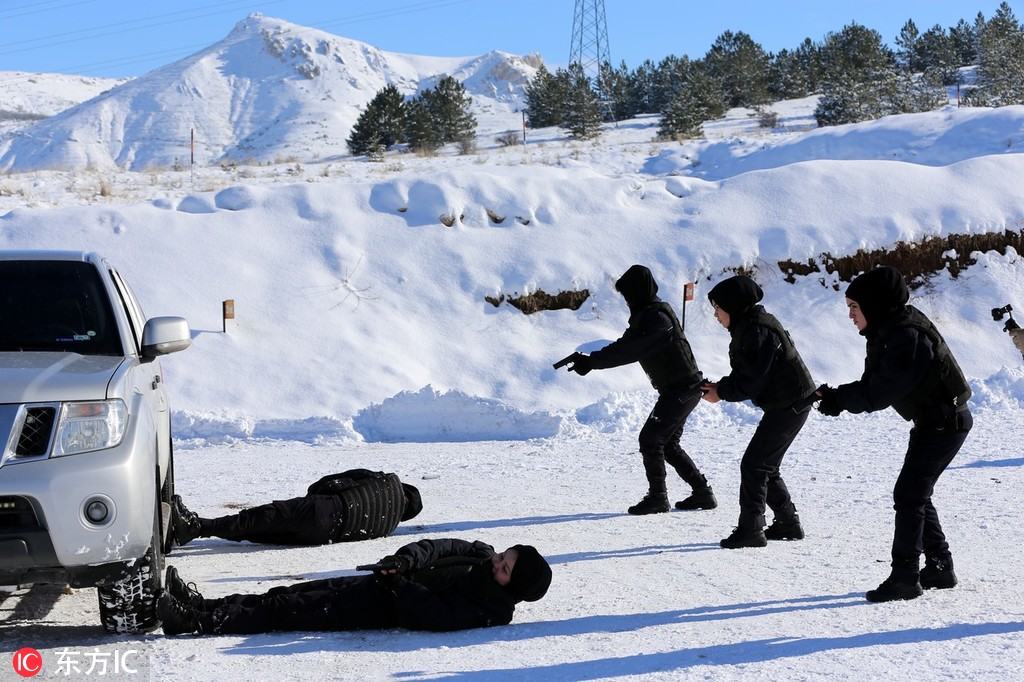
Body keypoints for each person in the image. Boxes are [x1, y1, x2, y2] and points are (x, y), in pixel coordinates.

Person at [815, 265, 972, 603]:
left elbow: (880, 392)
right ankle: (939, 567)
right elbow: (873, 383)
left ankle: (905, 576)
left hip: (945, 423)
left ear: (873, 305)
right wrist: (835, 397)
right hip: (934, 421)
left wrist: (841, 400)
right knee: (915, 492)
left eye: (854, 308)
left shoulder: (906, 336)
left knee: (910, 494)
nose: (850, 316)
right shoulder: (889, 330)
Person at [560, 264, 715, 515]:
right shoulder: (648, 316)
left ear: (638, 291)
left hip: (682, 388)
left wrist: (592, 362)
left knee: (651, 439)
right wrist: (590, 360)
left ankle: (658, 498)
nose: (626, 299)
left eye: (628, 293)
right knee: (667, 444)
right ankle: (702, 493)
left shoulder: (656, 318)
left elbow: (630, 350)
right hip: (679, 389)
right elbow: (626, 344)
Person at [157, 538, 552, 635]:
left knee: (286, 613)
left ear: (514, 587)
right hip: (382, 583)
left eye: (505, 568)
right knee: (286, 595)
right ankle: (203, 603)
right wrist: (402, 562)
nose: (496, 562)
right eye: (504, 555)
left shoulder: (493, 611)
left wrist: (399, 586)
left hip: (379, 606)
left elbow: (437, 615)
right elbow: (436, 547)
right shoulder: (480, 554)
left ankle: (193, 622)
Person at [701, 275, 816, 549]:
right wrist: (720, 386)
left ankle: (752, 529)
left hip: (791, 404)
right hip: (787, 403)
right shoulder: (749, 326)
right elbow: (749, 374)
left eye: (718, 308)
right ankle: (788, 523)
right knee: (764, 464)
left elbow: (751, 382)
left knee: (754, 465)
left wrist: (721, 392)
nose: (715, 315)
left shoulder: (756, 331)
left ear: (734, 306)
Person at [171, 469, 422, 547]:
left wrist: (314, 494)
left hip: (326, 507)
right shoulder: (388, 527)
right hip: (325, 535)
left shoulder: (387, 481)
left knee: (264, 516)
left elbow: (339, 480)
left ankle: (195, 526)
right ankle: (199, 529)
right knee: (262, 532)